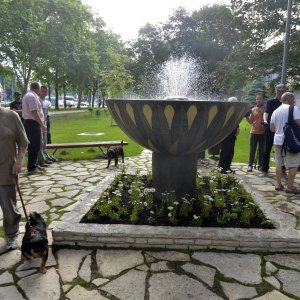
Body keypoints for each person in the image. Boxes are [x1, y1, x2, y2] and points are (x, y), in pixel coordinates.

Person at [0, 90, 28, 250]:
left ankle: (11, 235)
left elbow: (23, 142)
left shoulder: (11, 116)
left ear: (1, 97)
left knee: (8, 207)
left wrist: (19, 161)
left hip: (6, 170)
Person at [270, 92, 300, 194]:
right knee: (293, 164)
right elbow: (299, 123)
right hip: (291, 140)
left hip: (277, 140)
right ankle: (290, 187)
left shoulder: (275, 111)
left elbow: (272, 128)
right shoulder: (293, 109)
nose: (295, 101)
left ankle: (278, 184)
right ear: (288, 99)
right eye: (293, 99)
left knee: (279, 163)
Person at [261, 84, 286, 176]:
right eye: (279, 91)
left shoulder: (286, 104)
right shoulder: (270, 102)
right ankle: (265, 169)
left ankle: (282, 170)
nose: (281, 93)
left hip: (283, 131)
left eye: (282, 91)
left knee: (283, 150)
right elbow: (266, 113)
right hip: (270, 130)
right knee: (266, 149)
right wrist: (264, 120)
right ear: (276, 92)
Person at [22, 81, 46, 174]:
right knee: (33, 146)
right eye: (40, 89)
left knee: (36, 145)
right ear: (37, 88)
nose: (40, 91)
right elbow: (34, 112)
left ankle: (34, 165)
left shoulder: (30, 95)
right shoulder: (31, 96)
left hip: (32, 123)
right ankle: (31, 167)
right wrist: (42, 125)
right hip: (32, 123)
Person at [218, 97, 240, 174]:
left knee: (230, 152)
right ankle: (221, 168)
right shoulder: (226, 111)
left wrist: (237, 129)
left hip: (232, 136)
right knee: (224, 152)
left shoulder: (234, 111)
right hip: (225, 136)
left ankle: (227, 167)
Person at [245, 92, 265, 172]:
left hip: (263, 133)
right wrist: (246, 116)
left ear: (263, 99)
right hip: (253, 133)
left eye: (260, 99)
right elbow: (250, 121)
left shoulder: (266, 109)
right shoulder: (253, 109)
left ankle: (260, 165)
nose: (258, 100)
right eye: (257, 99)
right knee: (252, 150)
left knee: (261, 150)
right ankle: (250, 165)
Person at [37, 85, 52, 167]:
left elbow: (47, 112)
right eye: (43, 91)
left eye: (46, 91)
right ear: (39, 91)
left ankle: (43, 157)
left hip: (45, 122)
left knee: (45, 141)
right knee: (40, 141)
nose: (44, 93)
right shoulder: (37, 100)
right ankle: (40, 160)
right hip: (39, 123)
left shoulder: (47, 102)